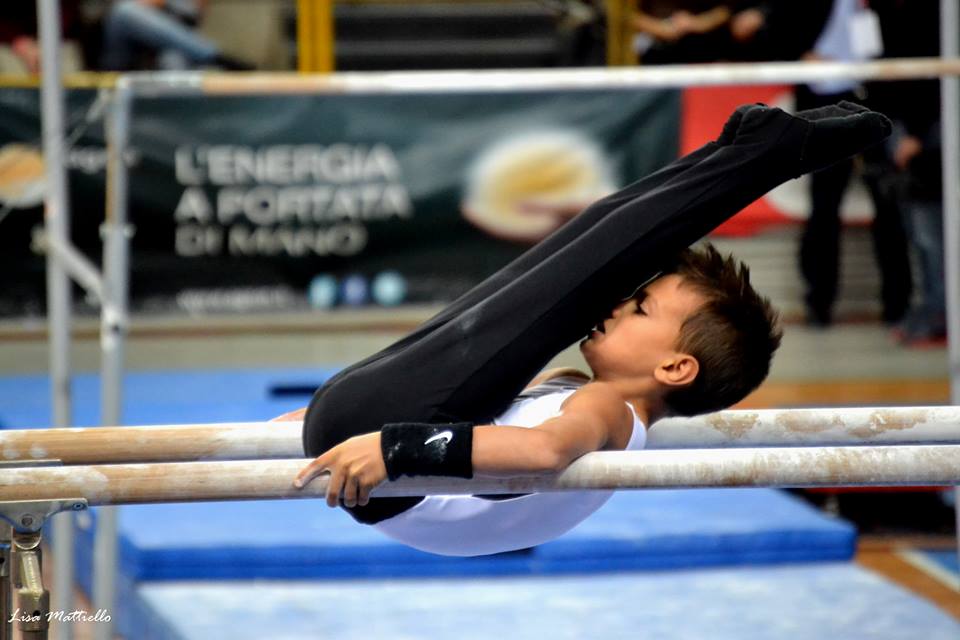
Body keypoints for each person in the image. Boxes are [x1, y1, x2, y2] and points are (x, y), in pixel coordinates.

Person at [286, 102, 892, 556]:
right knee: (592, 245)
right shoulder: (576, 388)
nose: (617, 308)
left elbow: (543, 452)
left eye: (640, 309)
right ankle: (743, 151)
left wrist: (393, 451)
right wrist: (282, 431)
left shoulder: (607, 409)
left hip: (393, 458)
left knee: (594, 260)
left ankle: (763, 152)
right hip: (374, 437)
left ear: (676, 368)